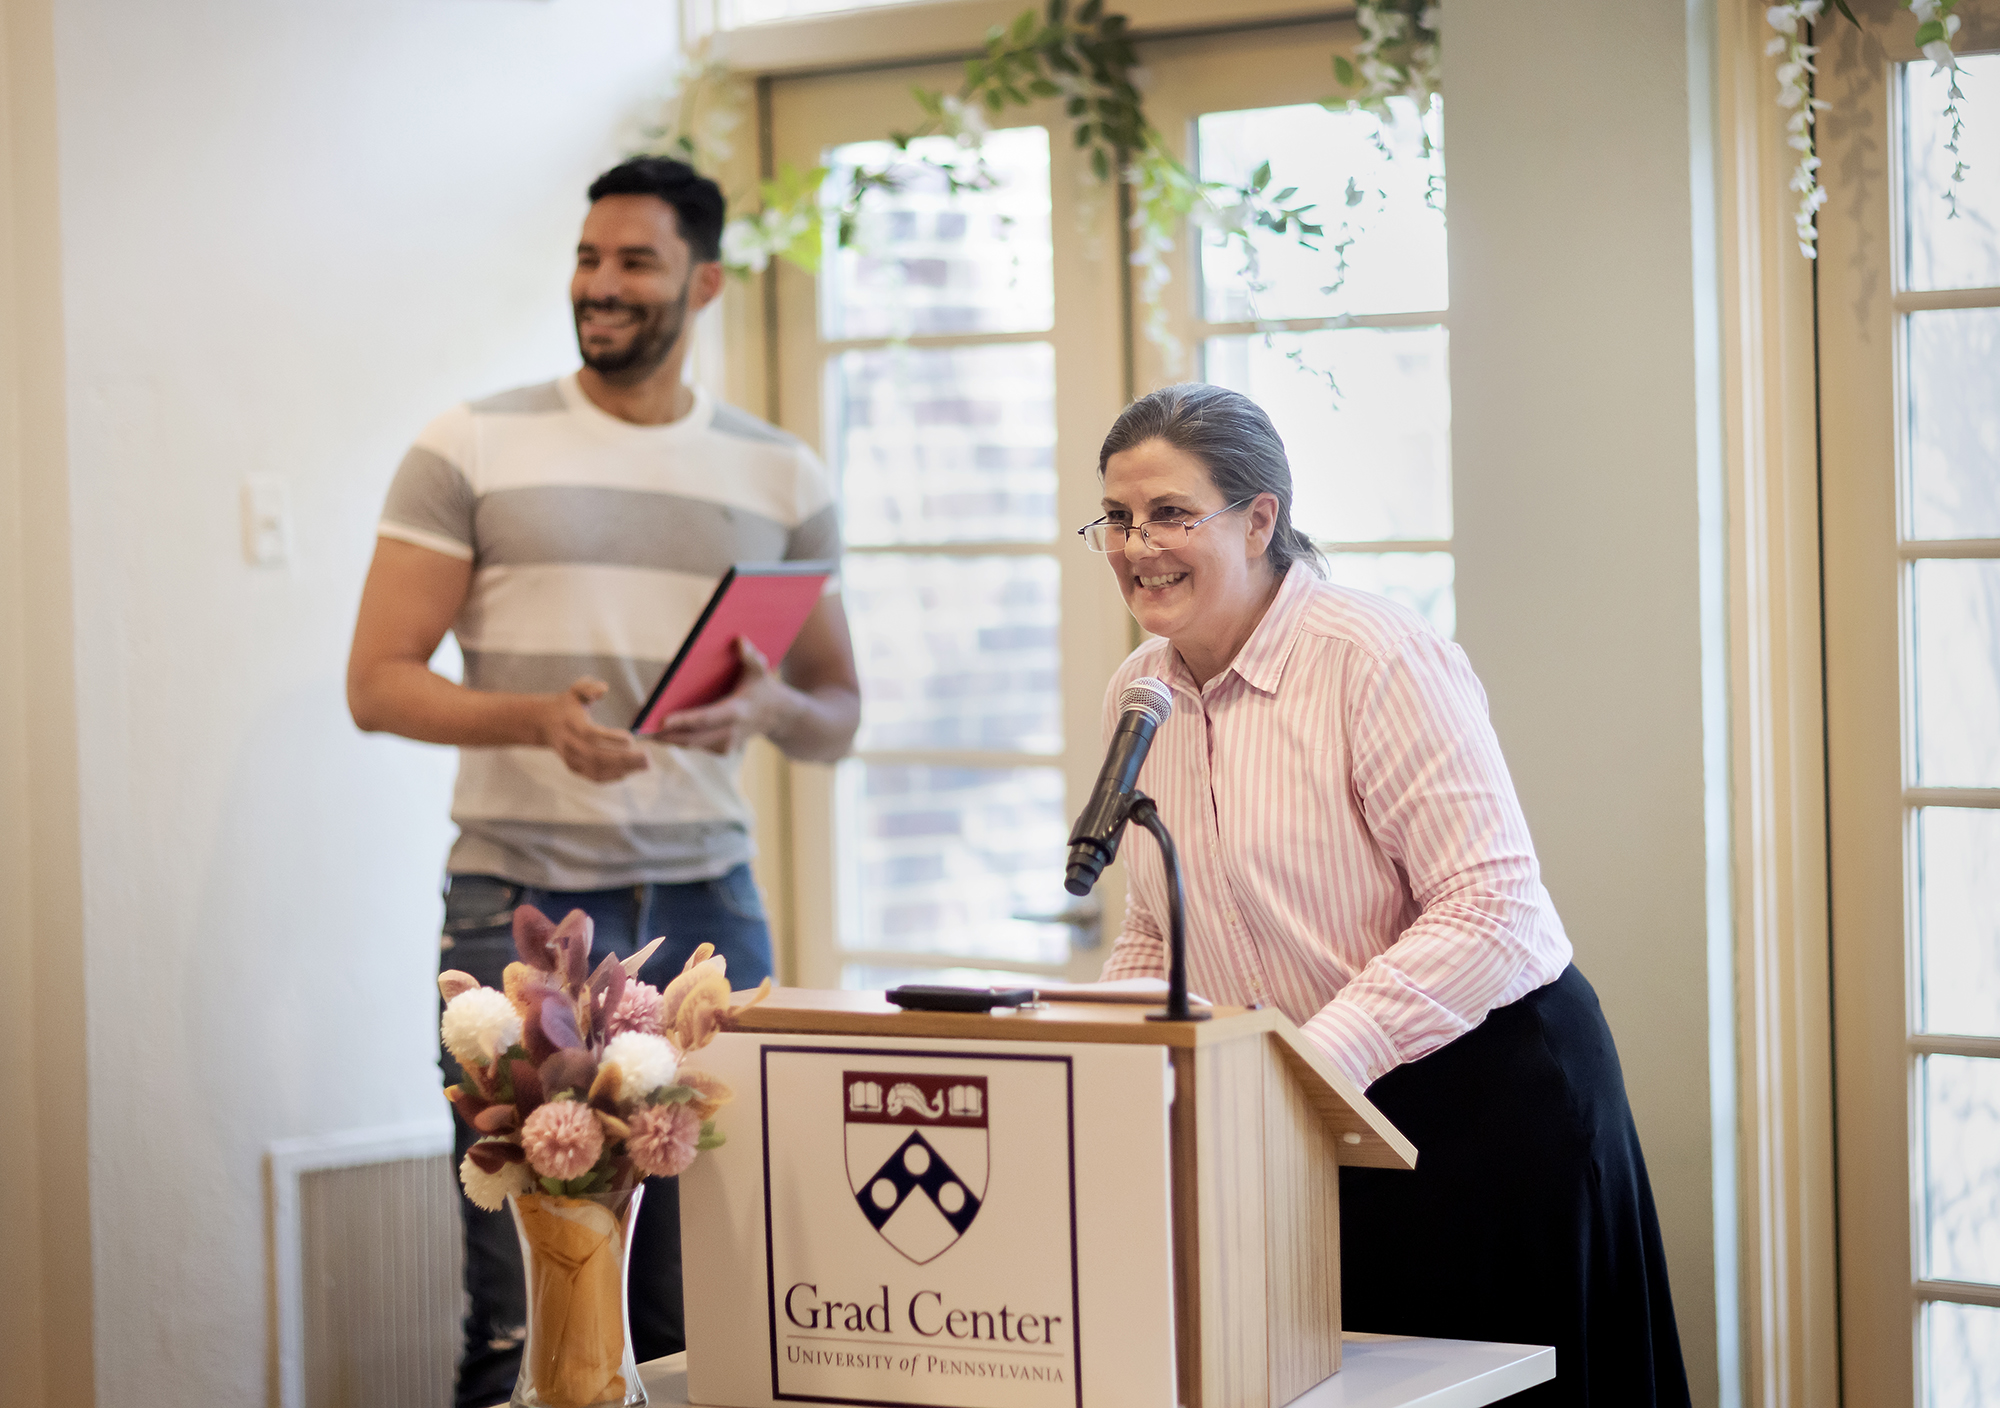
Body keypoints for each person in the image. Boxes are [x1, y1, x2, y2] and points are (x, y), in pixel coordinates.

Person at [346, 156, 860, 1408]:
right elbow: (378, 682)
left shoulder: (780, 474)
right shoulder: (466, 443)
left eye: (634, 261)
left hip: (705, 911)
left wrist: (765, 703)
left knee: (700, 1303)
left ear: (704, 281)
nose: (602, 285)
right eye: (588, 259)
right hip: (517, 911)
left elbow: (834, 715)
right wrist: (532, 718)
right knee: (522, 1291)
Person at [1083, 382, 1690, 1407]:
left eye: (1170, 514)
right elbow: (1154, 924)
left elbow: (1488, 908)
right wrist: (1095, 1049)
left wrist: (1308, 1064)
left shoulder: (1372, 657)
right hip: (1306, 1117)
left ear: (1259, 517)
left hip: (1485, 1101)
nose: (1137, 544)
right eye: (1117, 517)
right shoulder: (1139, 691)